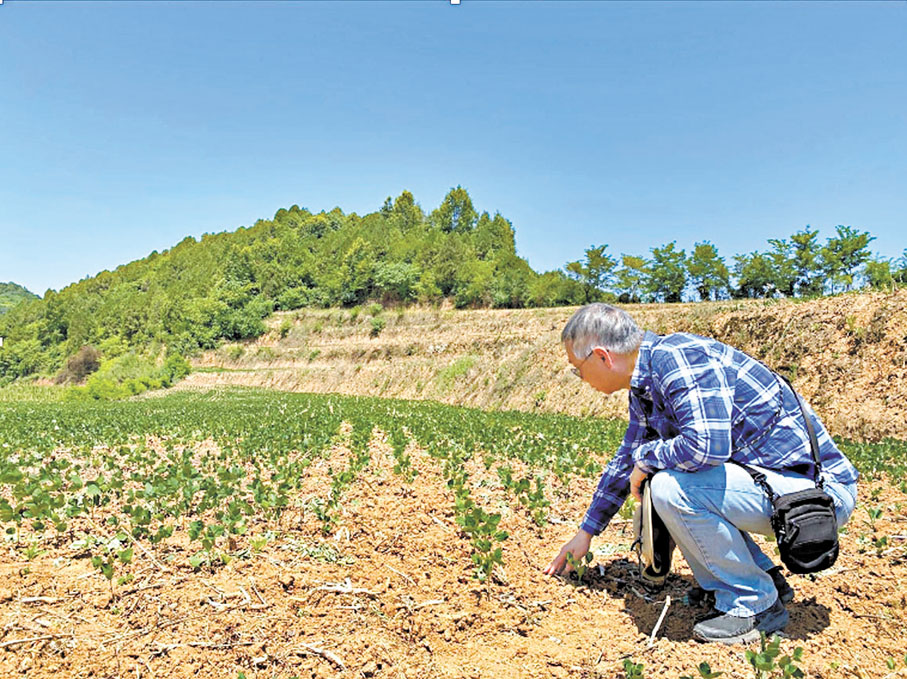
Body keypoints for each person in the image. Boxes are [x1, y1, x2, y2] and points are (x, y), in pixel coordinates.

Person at [543, 303, 859, 644]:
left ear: (603, 356)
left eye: (578, 369)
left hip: (814, 498)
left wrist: (647, 459)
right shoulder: (648, 382)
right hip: (778, 489)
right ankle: (765, 578)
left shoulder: (679, 360)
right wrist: (586, 532)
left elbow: (706, 447)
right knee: (664, 479)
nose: (581, 378)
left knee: (669, 487)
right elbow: (626, 460)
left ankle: (753, 603)